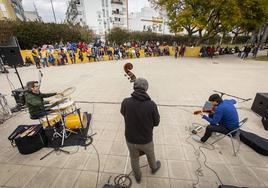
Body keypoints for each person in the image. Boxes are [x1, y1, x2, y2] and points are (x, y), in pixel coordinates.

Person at [120, 78, 161, 183]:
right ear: (146, 88)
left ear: (134, 87)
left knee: (134, 158)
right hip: (146, 140)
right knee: (151, 155)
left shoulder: (125, 102)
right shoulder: (151, 104)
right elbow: (156, 123)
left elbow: (123, 113)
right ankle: (154, 168)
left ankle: (138, 177)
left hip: (130, 139)